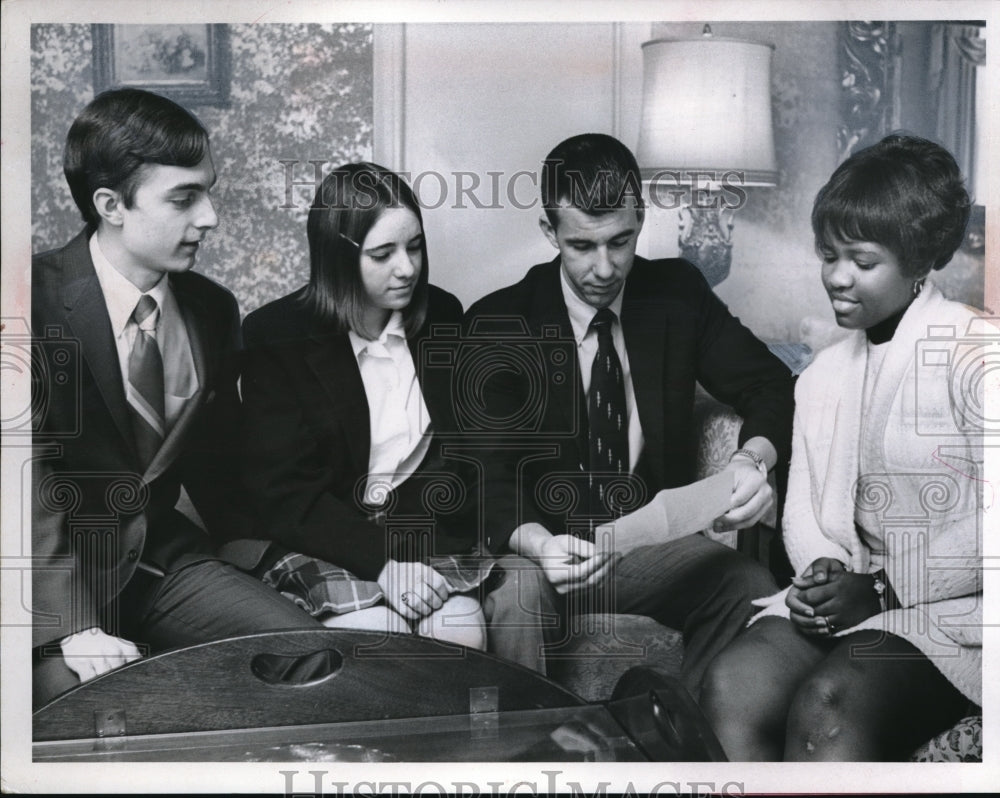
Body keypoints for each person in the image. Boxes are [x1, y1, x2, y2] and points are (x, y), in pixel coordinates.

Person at [461, 133, 795, 694]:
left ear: (641, 218)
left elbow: (771, 384)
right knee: (516, 596)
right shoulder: (498, 322)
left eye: (621, 241)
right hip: (541, 547)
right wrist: (540, 544)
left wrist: (751, 462)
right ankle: (534, 764)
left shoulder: (676, 294)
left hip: (642, 546)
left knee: (745, 581)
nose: (605, 267)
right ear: (550, 233)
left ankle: (684, 743)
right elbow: (485, 476)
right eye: (582, 246)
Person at [31, 88, 324, 709]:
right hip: (42, 578)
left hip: (158, 564)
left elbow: (223, 467)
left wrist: (282, 563)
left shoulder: (212, 309)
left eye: (208, 190)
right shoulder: (23, 301)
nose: (210, 216)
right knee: (93, 709)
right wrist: (73, 626)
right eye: (184, 198)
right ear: (111, 205)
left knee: (313, 658)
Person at [700, 134, 987, 761]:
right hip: (856, 599)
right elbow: (803, 510)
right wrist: (823, 574)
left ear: (918, 260)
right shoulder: (823, 375)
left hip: (962, 610)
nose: (836, 276)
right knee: (733, 683)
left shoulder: (975, 353)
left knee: (829, 700)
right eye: (828, 255)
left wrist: (884, 589)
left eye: (860, 260)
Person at [224, 163, 550, 665]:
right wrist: (382, 563)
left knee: (458, 633)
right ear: (336, 258)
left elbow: (474, 458)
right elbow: (285, 495)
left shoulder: (443, 316)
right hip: (326, 542)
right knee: (379, 638)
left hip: (426, 538)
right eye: (383, 253)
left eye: (415, 246)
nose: (407, 268)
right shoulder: (275, 334)